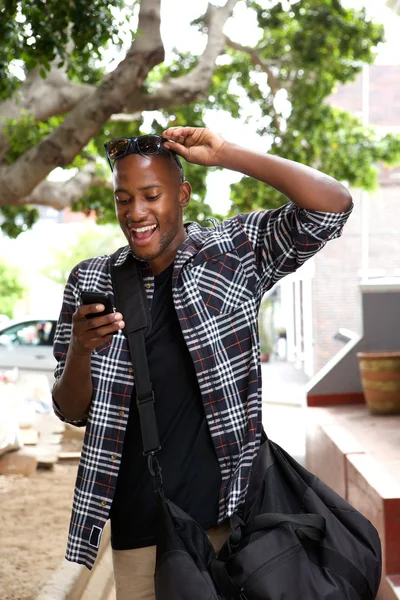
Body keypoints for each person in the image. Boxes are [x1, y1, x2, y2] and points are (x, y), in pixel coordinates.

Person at [52, 126, 353, 599]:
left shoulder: (232, 253)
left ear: (183, 194)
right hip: (141, 535)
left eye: (151, 195)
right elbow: (70, 410)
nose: (136, 213)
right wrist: (80, 350)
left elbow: (331, 207)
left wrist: (227, 154)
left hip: (233, 530)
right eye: (123, 199)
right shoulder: (92, 279)